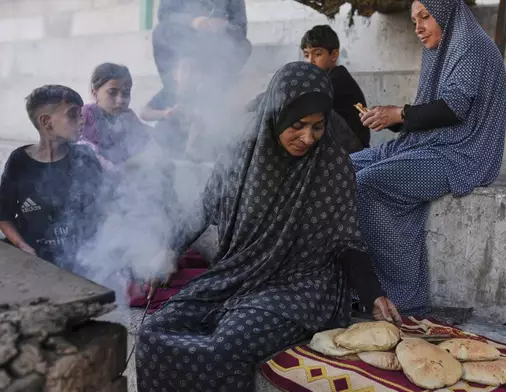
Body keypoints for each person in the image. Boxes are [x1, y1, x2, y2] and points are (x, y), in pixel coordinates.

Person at [135, 62, 401, 392]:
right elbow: (203, 207)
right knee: (152, 332)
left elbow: (346, 240)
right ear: (275, 114)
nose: (308, 138)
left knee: (225, 347)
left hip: (299, 286)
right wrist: (169, 248)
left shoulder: (331, 166)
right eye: (298, 125)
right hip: (236, 274)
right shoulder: (240, 155)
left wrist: (372, 293)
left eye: (318, 127)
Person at [352, 0, 506, 313]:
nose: (419, 28)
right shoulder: (443, 45)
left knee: (367, 183)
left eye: (425, 17)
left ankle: (404, 297)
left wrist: (398, 113)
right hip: (426, 145)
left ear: (446, 12)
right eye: (414, 21)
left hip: (461, 154)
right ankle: (347, 284)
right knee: (338, 169)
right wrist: (393, 118)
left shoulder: (470, 45)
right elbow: (430, 114)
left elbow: (453, 107)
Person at [0, 85, 103, 269]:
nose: (82, 120)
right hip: (36, 263)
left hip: (83, 260)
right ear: (46, 122)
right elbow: (3, 216)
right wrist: (24, 248)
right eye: (73, 114)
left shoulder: (85, 157)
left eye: (81, 113)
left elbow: (106, 207)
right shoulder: (19, 161)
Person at [153, 0, 251, 89]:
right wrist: (192, 21)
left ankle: (212, 92)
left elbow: (240, 26)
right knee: (161, 32)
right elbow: (165, 14)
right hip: (184, 36)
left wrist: (221, 26)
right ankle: (174, 93)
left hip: (218, 41)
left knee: (242, 46)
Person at [302, 25, 370, 150]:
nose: (310, 61)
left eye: (317, 54)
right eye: (306, 55)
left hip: (353, 148)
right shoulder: (325, 79)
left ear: (334, 55)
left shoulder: (337, 80)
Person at [79, 63, 151, 170]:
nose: (120, 100)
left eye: (126, 93)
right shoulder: (85, 117)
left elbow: (147, 145)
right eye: (112, 93)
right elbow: (90, 159)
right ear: (95, 93)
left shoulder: (128, 117)